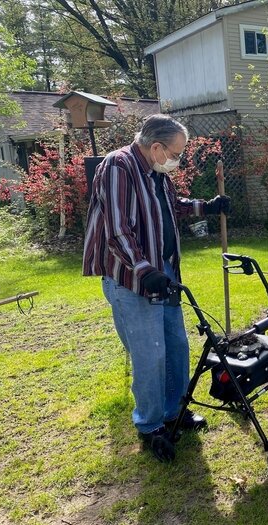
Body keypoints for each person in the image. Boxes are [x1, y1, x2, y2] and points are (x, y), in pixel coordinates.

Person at [82, 114, 231, 461]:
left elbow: (169, 207)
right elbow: (116, 228)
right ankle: (150, 426)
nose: (177, 160)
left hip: (163, 271)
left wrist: (205, 206)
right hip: (131, 276)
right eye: (176, 153)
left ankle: (172, 412)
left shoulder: (156, 172)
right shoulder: (117, 166)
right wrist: (145, 270)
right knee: (150, 353)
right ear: (157, 147)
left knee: (176, 346)